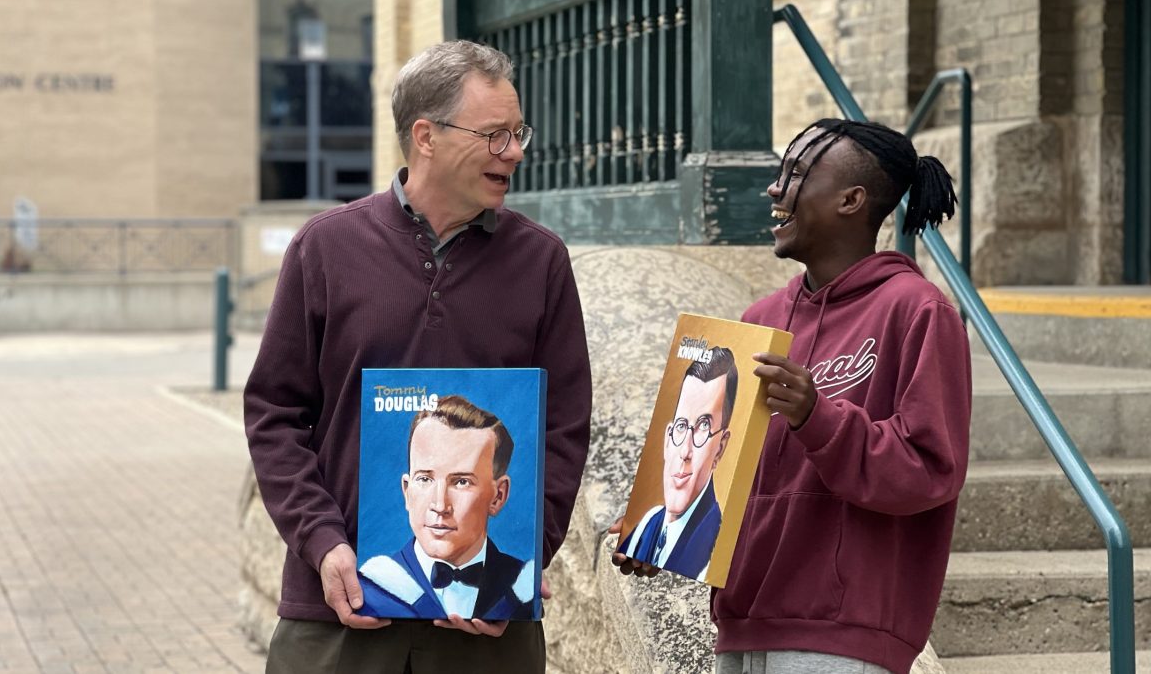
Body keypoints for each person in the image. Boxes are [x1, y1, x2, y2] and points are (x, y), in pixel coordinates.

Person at [244, 39, 592, 674]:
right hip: (337, 616)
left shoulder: (542, 262)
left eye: (518, 133)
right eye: (494, 135)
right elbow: (274, 415)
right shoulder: (324, 249)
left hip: (488, 634)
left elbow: (564, 429)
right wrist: (323, 545)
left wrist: (525, 557)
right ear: (426, 136)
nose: (514, 152)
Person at [613, 118, 971, 674]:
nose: (774, 188)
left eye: (796, 174)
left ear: (851, 200)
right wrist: (658, 534)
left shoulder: (919, 312)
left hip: (842, 638)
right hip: (739, 625)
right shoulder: (758, 322)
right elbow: (730, 480)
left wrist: (818, 416)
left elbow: (929, 472)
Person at [357, 395, 536, 621]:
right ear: (407, 491)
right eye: (424, 479)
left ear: (497, 497)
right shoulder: (373, 587)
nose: (440, 505)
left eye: (461, 482)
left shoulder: (522, 588)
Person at [616, 347, 738, 580]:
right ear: (666, 440)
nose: (685, 451)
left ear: (720, 448)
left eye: (703, 426)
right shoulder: (649, 522)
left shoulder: (715, 546)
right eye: (681, 426)